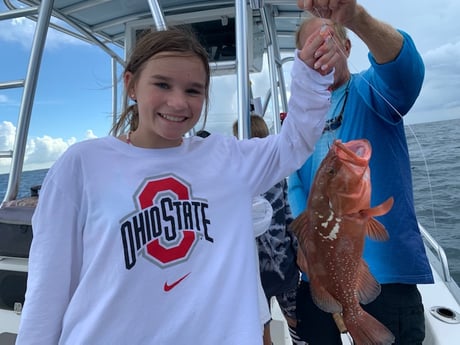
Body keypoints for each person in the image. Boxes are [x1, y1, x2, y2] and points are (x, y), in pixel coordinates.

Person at [16, 26, 336, 344]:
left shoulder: (228, 160)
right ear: (131, 84)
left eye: (193, 91)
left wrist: (310, 75)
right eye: (162, 84)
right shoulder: (81, 165)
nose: (178, 102)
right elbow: (48, 288)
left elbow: (295, 142)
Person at [288, 1, 434, 344]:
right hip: (319, 278)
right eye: (308, 52)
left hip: (386, 281)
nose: (318, 56)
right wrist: (306, 241)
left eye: (324, 43)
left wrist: (355, 17)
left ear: (346, 46)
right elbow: (295, 179)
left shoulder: (373, 91)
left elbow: (405, 72)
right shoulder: (300, 117)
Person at [233, 115, 305, 345]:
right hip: (278, 270)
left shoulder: (242, 181)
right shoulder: (275, 177)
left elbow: (291, 221)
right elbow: (292, 223)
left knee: (265, 331)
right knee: (292, 327)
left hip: (266, 274)